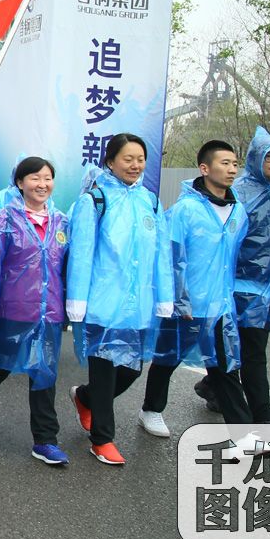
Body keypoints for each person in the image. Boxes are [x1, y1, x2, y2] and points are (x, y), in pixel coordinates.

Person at [194, 127, 270, 421]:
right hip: (235, 288)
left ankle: (212, 386)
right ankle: (264, 418)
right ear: (255, 159)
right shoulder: (237, 194)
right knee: (247, 354)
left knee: (244, 350)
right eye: (269, 156)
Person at [66, 133, 173, 464]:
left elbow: (161, 253)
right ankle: (102, 439)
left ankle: (85, 398)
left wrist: (164, 295)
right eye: (128, 158)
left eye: (140, 158)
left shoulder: (151, 202)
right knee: (106, 372)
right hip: (102, 303)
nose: (135, 165)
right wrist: (77, 301)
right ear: (110, 162)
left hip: (138, 305)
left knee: (132, 369)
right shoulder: (94, 200)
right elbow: (82, 253)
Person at [141, 140, 254, 445]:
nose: (232, 169)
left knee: (225, 367)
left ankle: (242, 432)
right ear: (205, 169)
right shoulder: (185, 210)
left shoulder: (237, 210)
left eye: (234, 164)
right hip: (188, 304)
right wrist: (178, 297)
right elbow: (170, 255)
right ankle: (151, 409)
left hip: (220, 306)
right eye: (224, 163)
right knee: (167, 359)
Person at [0, 157, 71, 467]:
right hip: (14, 308)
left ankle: (45, 440)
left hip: (49, 312)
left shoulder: (62, 223)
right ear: (20, 183)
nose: (42, 184)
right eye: (34, 178)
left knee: (44, 373)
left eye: (47, 178)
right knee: (0, 364)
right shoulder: (3, 220)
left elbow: (68, 269)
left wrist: (69, 308)